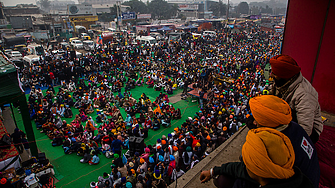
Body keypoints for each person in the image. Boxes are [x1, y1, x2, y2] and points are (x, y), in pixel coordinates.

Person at [200, 127, 314, 188]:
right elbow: (240, 168)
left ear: (257, 169)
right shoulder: (277, 173)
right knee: (224, 179)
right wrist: (213, 171)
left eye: (247, 161)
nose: (243, 161)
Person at [247, 95, 320, 188]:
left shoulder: (278, 144)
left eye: (257, 119)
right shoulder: (294, 126)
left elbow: (260, 175)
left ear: (268, 122)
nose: (254, 122)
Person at [269, 55, 323, 143]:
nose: (271, 75)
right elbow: (271, 99)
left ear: (284, 76)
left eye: (274, 74)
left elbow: (305, 130)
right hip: (288, 119)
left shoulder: (304, 94)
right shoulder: (281, 82)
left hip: (309, 131)